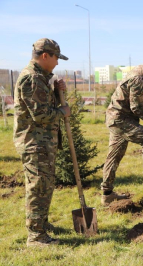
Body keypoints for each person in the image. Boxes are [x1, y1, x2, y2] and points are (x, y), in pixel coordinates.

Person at [13, 38, 71, 246]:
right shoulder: (32, 78)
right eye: (56, 58)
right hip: (35, 142)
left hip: (43, 142)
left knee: (45, 185)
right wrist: (62, 111)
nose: (57, 63)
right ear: (45, 55)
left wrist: (56, 91)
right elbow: (40, 114)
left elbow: (43, 104)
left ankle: (41, 224)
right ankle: (36, 236)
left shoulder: (41, 77)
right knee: (38, 187)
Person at [101, 55, 143, 206]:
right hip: (120, 118)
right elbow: (137, 107)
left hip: (122, 117)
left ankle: (107, 194)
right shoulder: (138, 78)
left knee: (114, 156)